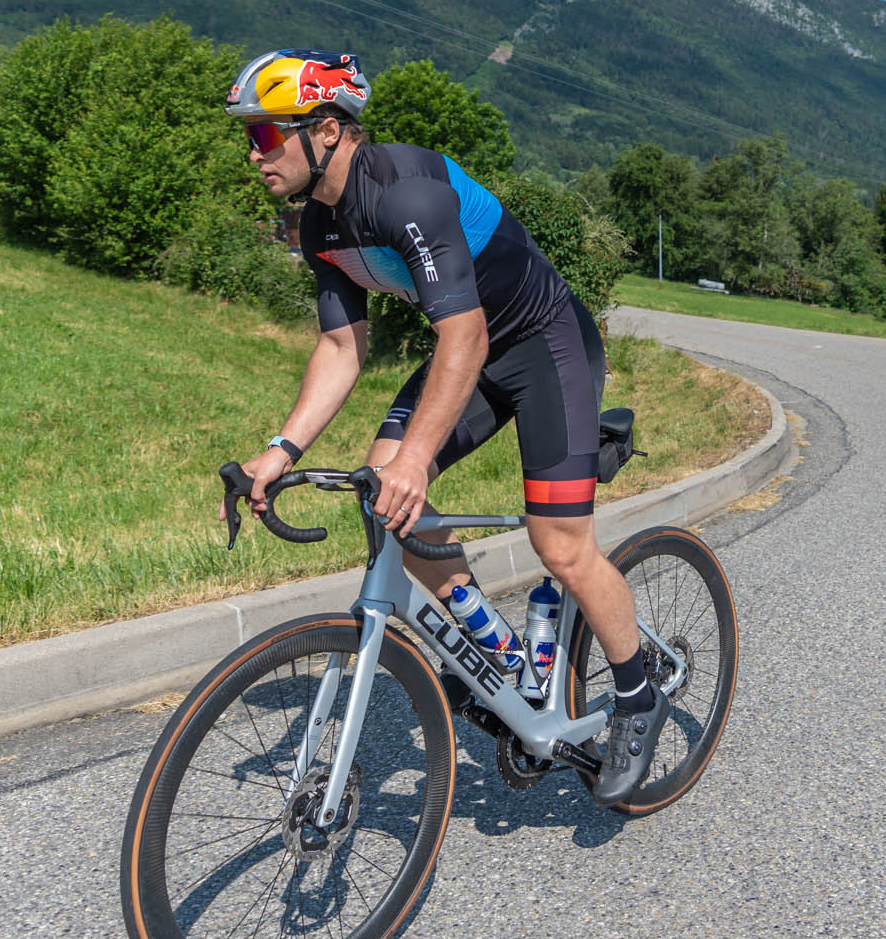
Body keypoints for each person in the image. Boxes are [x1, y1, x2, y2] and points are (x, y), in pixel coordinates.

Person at [224, 48, 664, 804]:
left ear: (325, 130)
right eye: (248, 139)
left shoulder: (406, 193)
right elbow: (340, 346)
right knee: (386, 497)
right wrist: (278, 450)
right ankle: (496, 661)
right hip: (471, 353)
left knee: (558, 543)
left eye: (265, 136)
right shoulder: (318, 225)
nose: (253, 154)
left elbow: (464, 336)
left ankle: (637, 694)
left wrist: (417, 454)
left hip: (541, 345)